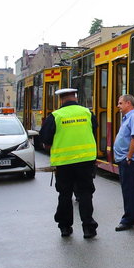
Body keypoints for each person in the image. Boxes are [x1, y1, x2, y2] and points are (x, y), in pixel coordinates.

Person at [38, 88, 99, 239]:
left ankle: (65, 227)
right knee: (85, 194)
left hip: (64, 163)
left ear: (61, 99)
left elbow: (44, 140)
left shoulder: (55, 116)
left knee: (65, 195)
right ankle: (88, 228)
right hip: (85, 160)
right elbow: (94, 130)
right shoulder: (87, 113)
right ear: (75, 97)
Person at [113, 94, 134, 231]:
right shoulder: (127, 118)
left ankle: (127, 220)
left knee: (128, 190)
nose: (118, 106)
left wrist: (128, 157)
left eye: (120, 103)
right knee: (131, 189)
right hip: (125, 159)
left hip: (128, 160)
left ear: (128, 103)